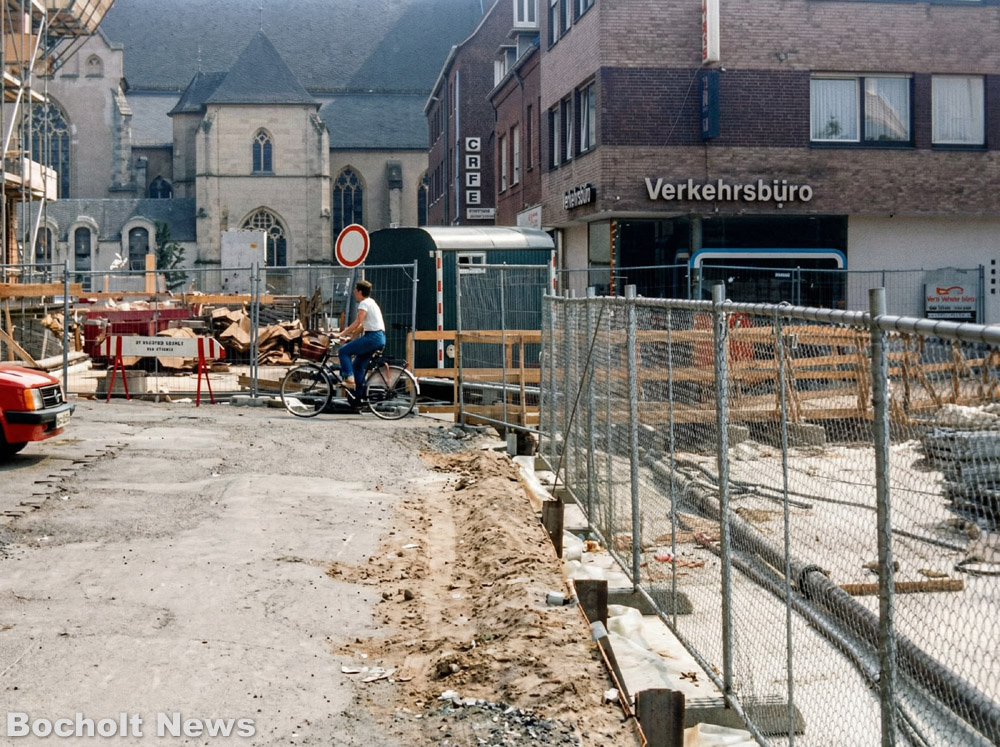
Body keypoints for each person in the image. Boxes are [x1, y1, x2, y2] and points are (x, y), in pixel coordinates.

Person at [336, 280, 385, 400]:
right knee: (357, 366)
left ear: (359, 291)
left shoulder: (363, 304)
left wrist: (340, 334)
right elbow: (362, 326)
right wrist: (351, 338)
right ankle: (360, 397)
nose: (353, 292)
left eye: (355, 289)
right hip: (379, 337)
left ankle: (349, 378)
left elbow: (358, 322)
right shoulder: (371, 302)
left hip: (372, 337)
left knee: (343, 352)